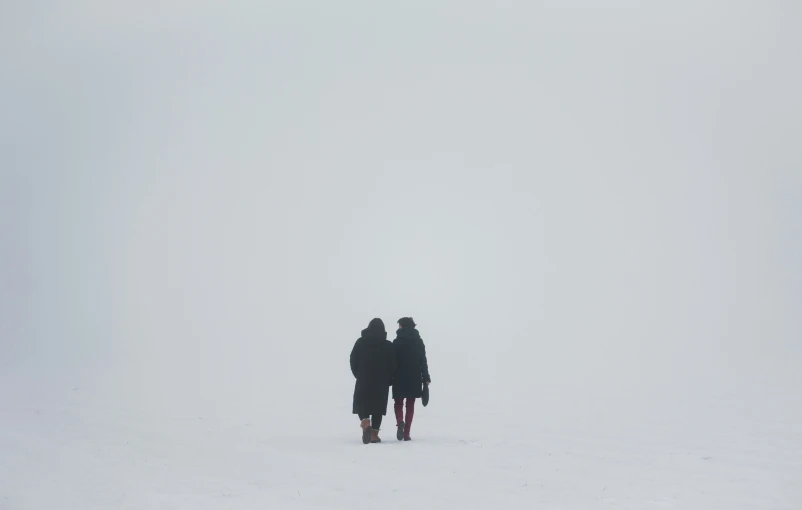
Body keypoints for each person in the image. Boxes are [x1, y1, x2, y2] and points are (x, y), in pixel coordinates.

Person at [350, 318, 397, 444]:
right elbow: (393, 364)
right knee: (378, 407)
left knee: (361, 403)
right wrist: (389, 378)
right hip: (381, 381)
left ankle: (365, 423)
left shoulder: (360, 342)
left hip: (364, 378)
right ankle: (374, 434)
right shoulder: (388, 345)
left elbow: (353, 359)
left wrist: (358, 374)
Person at [392, 317, 431, 441]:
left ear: (402, 326)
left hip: (399, 376)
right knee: (410, 405)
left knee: (398, 403)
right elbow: (423, 361)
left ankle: (400, 422)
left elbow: (392, 361)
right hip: (414, 376)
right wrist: (426, 377)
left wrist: (390, 375)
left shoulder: (396, 342)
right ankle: (407, 433)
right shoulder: (418, 341)